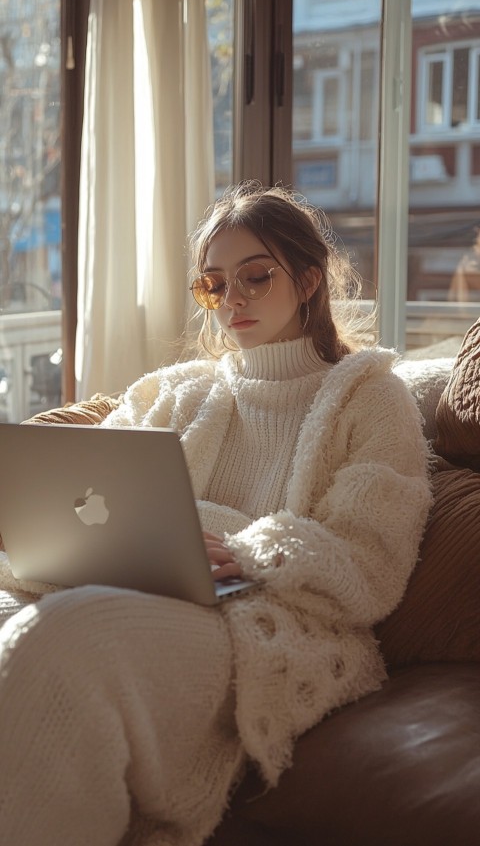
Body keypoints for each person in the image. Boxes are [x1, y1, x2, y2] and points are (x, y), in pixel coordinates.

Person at [0, 181, 432, 846]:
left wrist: (251, 549)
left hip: (265, 617)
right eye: (213, 285)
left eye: (255, 277)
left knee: (63, 639)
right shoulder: (179, 393)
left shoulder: (374, 400)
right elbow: (87, 494)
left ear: (310, 279)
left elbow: (372, 562)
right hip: (141, 586)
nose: (232, 300)